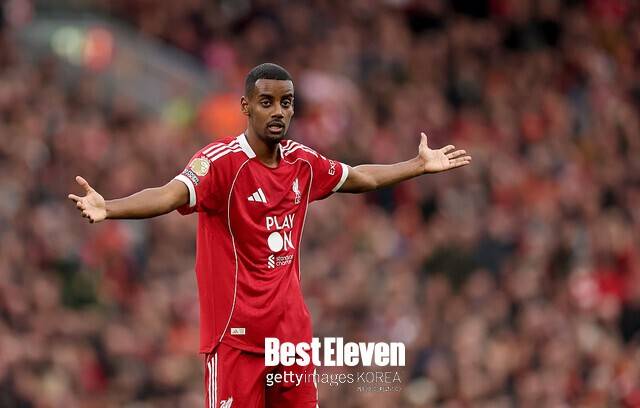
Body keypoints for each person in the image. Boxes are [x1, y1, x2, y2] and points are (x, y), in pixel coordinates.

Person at [67, 63, 471, 408]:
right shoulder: (219, 162)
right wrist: (110, 208)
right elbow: (169, 194)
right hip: (235, 340)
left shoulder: (302, 162)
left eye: (286, 102)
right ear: (246, 106)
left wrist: (417, 166)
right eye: (267, 102)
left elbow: (359, 177)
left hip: (290, 339)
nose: (278, 111)